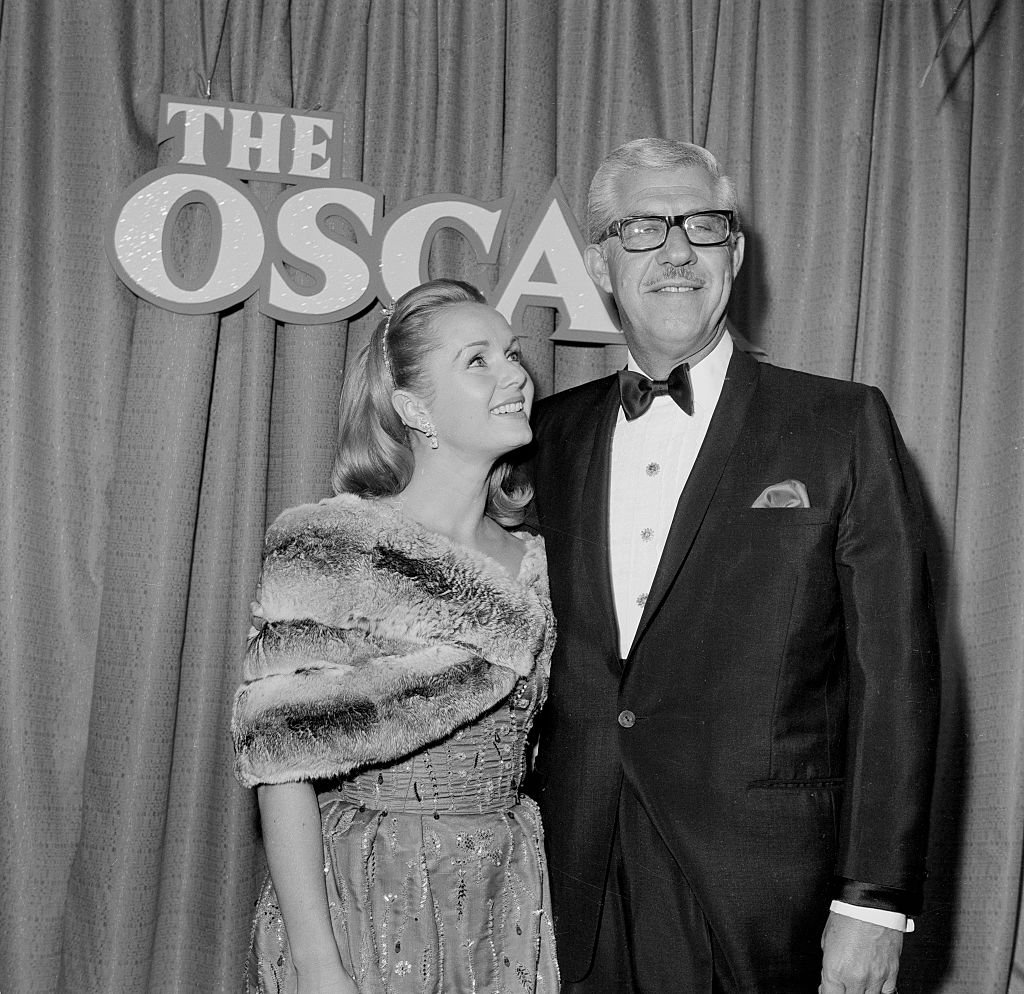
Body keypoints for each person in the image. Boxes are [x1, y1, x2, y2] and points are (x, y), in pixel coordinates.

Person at [526, 139, 940, 994]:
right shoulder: (547, 436)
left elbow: (895, 677)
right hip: (570, 882)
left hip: (759, 894)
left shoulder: (840, 424)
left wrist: (872, 901)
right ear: (602, 262)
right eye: (643, 228)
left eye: (703, 226)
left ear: (736, 254)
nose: (676, 250)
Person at [231, 279, 559, 994]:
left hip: (507, 892)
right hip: (369, 890)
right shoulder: (331, 545)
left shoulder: (540, 560)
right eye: (477, 361)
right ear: (413, 408)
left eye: (511, 354)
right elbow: (280, 765)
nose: (515, 376)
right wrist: (320, 966)